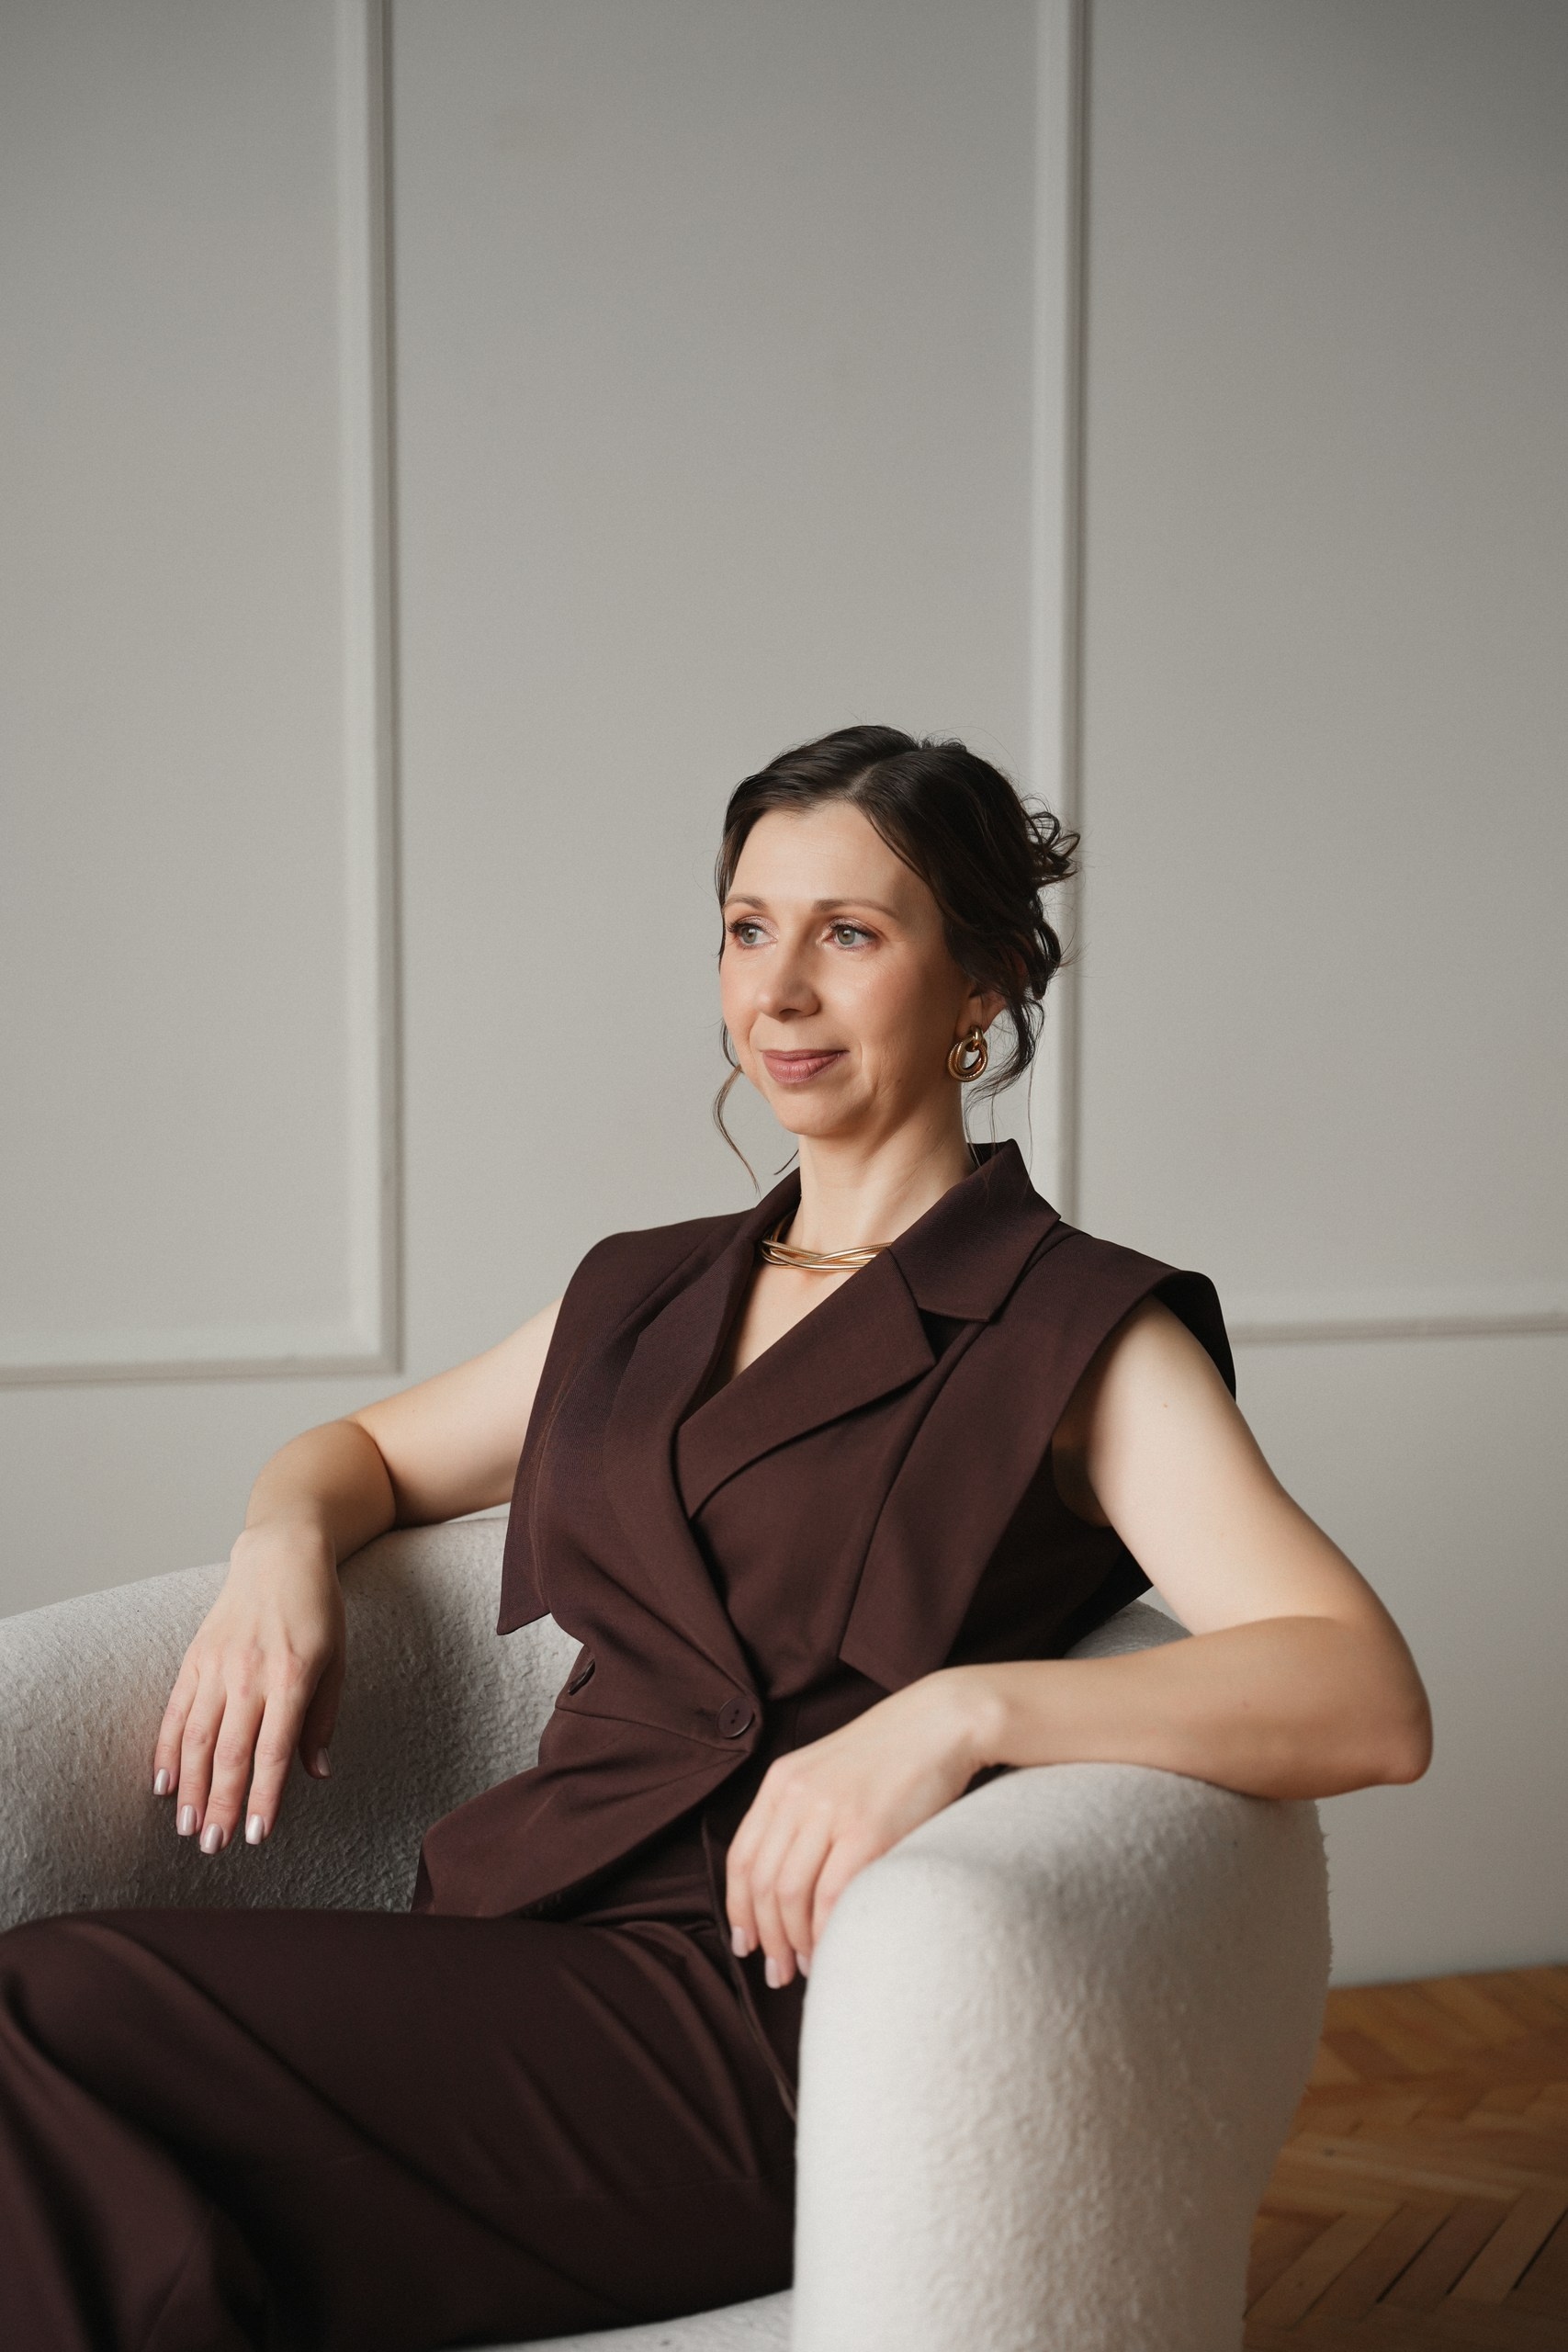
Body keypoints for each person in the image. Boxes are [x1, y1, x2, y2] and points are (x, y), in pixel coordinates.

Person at [0, 725, 1432, 2351]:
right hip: (510, 1944)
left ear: (981, 986)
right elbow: (361, 1456)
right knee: (115, 2195)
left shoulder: (1073, 1331)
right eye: (750, 929)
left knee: (42, 2008)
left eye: (851, 933)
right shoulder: (648, 1287)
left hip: (762, 2011)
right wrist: (279, 1558)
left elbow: (1363, 1694)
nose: (782, 991)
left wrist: (959, 1716)